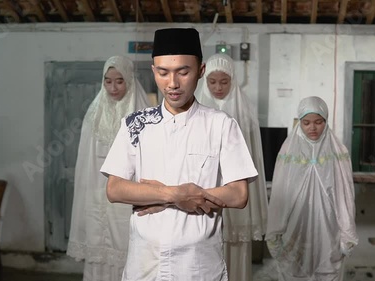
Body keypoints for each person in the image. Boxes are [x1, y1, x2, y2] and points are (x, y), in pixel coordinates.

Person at [100, 28, 258, 281]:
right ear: (154, 71)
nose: (172, 83)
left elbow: (238, 195)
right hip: (144, 262)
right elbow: (115, 189)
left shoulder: (221, 124)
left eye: (183, 72)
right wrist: (175, 195)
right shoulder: (135, 124)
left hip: (198, 264)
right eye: (163, 73)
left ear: (201, 71)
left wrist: (155, 197)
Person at [67, 55, 150, 281]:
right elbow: (86, 163)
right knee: (99, 247)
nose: (113, 87)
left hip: (128, 195)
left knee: (127, 248)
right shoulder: (94, 114)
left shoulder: (143, 114)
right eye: (108, 81)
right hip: (97, 194)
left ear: (130, 80)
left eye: (119, 81)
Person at [265, 96, 358, 281]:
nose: (312, 128)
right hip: (295, 223)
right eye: (306, 123)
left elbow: (344, 194)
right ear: (299, 122)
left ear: (326, 121)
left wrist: (347, 230)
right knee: (294, 268)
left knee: (327, 269)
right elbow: (280, 193)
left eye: (318, 122)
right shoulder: (288, 151)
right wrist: (275, 229)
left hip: (329, 224)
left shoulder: (338, 153)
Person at [196, 53, 268, 281]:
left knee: (235, 246)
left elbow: (251, 159)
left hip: (235, 190)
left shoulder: (245, 113)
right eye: (212, 81)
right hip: (205, 190)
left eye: (224, 81)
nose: (218, 87)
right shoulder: (195, 111)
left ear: (233, 80)